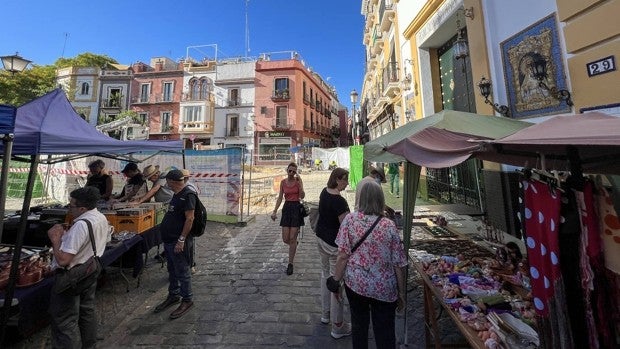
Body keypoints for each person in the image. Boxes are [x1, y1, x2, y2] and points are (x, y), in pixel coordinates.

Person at [332, 181, 407, 349]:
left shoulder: (350, 220)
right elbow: (398, 263)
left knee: (359, 328)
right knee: (385, 332)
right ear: (380, 199)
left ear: (360, 198)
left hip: (356, 285)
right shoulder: (389, 225)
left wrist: (336, 281)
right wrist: (401, 293)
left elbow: (342, 256)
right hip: (384, 288)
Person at [47, 186, 110, 348]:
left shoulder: (81, 225)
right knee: (86, 311)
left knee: (65, 321)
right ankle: (90, 345)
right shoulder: (100, 217)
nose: (69, 208)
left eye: (71, 205)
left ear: (82, 208)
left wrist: (56, 239)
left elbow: (63, 260)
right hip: (89, 270)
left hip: (73, 275)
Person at [153, 169, 196, 319]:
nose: (166, 183)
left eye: (167, 181)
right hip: (170, 240)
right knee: (172, 270)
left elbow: (190, 219)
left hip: (178, 241)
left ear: (172, 181)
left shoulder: (188, 194)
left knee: (183, 271)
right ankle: (174, 295)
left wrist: (181, 240)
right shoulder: (176, 194)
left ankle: (187, 299)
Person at [316, 167, 352, 338]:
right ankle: (338, 326)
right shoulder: (340, 202)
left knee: (325, 276)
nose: (347, 184)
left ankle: (325, 314)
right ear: (338, 179)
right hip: (333, 245)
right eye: (345, 180)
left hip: (321, 239)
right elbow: (346, 228)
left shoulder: (324, 192)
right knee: (336, 280)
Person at [271, 162, 305, 275]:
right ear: (287, 170)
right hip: (286, 209)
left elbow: (302, 196)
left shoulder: (298, 182)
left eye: (293, 171)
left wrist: (300, 184)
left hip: (296, 208)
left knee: (292, 237)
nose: (291, 173)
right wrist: (275, 211)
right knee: (286, 239)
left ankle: (290, 263)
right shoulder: (283, 182)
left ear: (296, 172)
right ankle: (294, 244)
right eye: (290, 170)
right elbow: (280, 197)